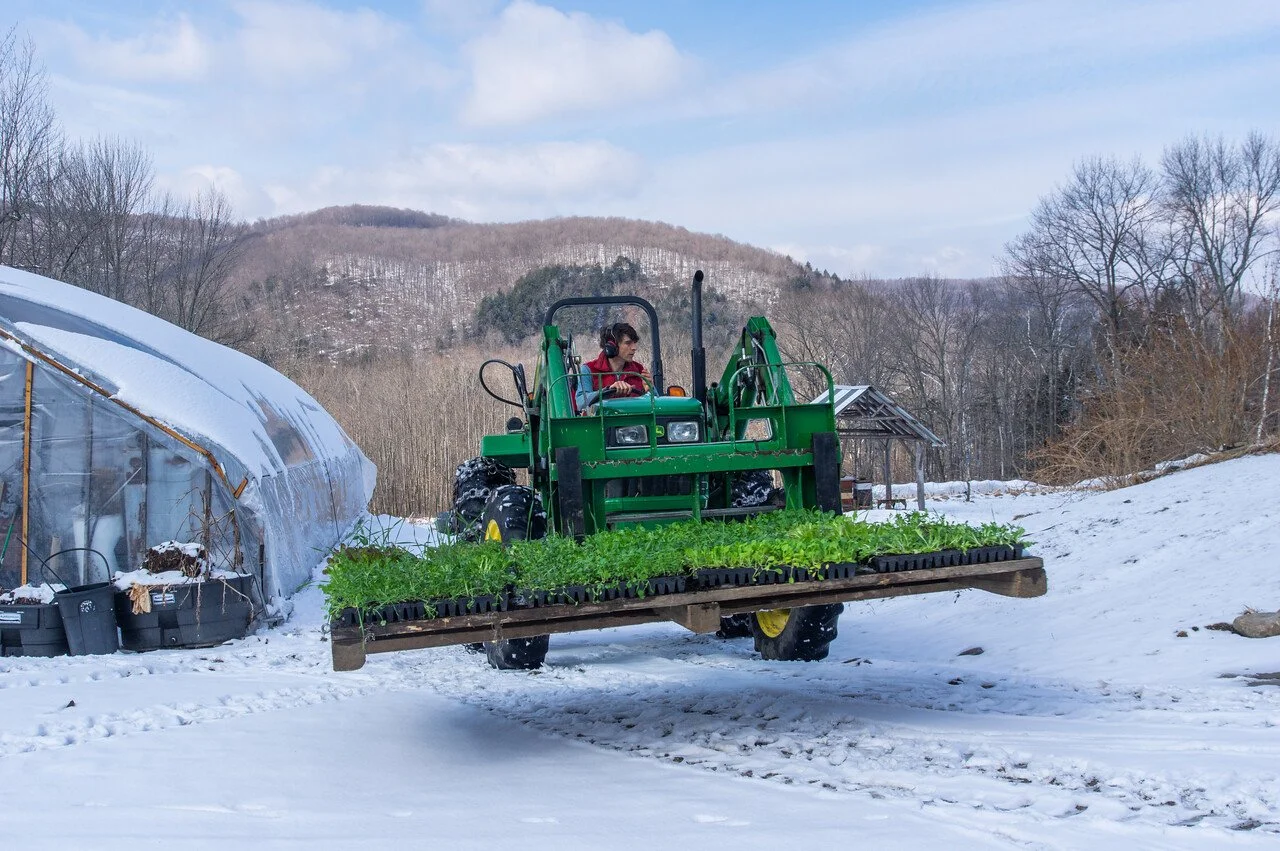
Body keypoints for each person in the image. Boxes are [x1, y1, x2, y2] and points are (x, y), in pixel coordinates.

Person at [575, 321, 652, 411]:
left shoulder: (639, 370)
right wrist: (607, 391)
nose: (634, 347)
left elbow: (657, 404)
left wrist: (649, 391)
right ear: (611, 346)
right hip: (601, 423)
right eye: (628, 343)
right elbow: (580, 402)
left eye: (634, 342)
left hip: (635, 423)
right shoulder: (589, 370)